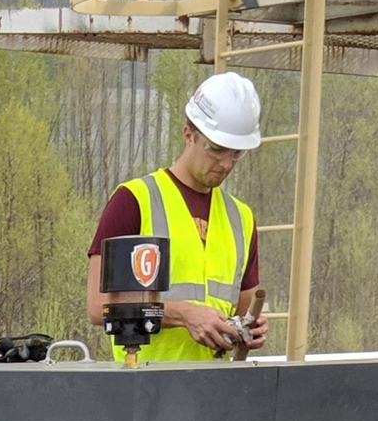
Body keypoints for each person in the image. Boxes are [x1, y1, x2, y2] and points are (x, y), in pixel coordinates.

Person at [87, 72, 270, 361]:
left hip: (212, 390)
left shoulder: (242, 219)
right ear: (189, 134)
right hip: (143, 388)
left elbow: (243, 312)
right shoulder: (134, 201)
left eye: (236, 153)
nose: (225, 164)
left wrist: (250, 328)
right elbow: (98, 308)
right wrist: (184, 314)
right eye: (216, 149)